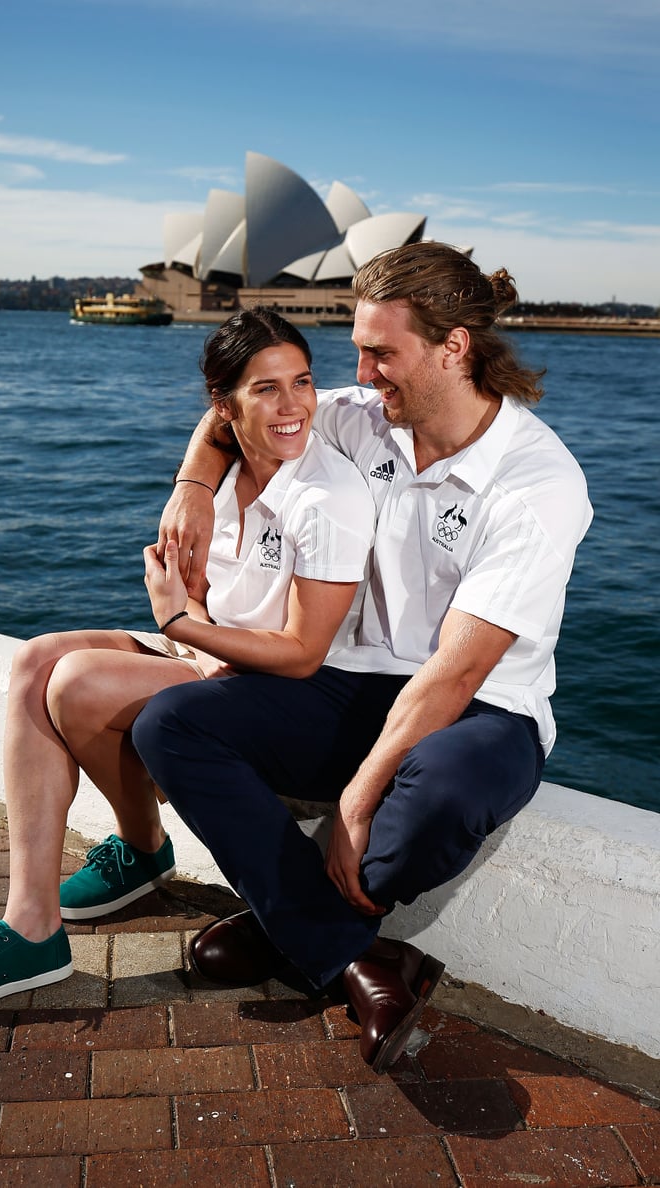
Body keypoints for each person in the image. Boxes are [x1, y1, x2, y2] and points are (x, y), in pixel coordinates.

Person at [131, 242, 593, 1075]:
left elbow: (455, 671)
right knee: (172, 723)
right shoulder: (364, 414)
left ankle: (284, 925)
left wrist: (354, 801)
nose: (363, 373)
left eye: (383, 353)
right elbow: (233, 413)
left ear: (454, 347)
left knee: (437, 797)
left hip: (487, 707)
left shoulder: (537, 484)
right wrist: (192, 488)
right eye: (357, 351)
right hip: (355, 684)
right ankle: (357, 957)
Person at [0, 307, 376, 1015]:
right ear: (224, 408)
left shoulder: (327, 495)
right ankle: (42, 914)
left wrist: (181, 624)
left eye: (302, 381)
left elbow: (302, 653)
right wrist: (190, 620)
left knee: (79, 682)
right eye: (265, 389)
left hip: (283, 685)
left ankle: (134, 849)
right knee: (36, 661)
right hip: (210, 652)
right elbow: (195, 592)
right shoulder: (218, 478)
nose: (292, 405)